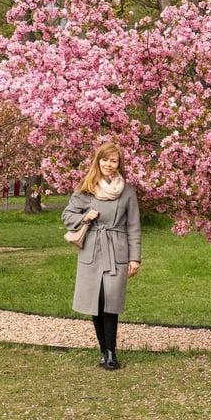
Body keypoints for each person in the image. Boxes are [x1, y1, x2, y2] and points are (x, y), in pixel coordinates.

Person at [62, 142, 141, 370]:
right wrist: (86, 216)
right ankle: (103, 351)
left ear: (119, 164)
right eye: (105, 160)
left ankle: (111, 351)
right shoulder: (86, 188)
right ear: (98, 161)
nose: (109, 164)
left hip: (117, 250)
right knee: (95, 302)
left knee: (111, 301)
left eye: (113, 160)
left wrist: (135, 258)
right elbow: (67, 216)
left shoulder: (127, 191)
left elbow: (134, 227)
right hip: (92, 249)